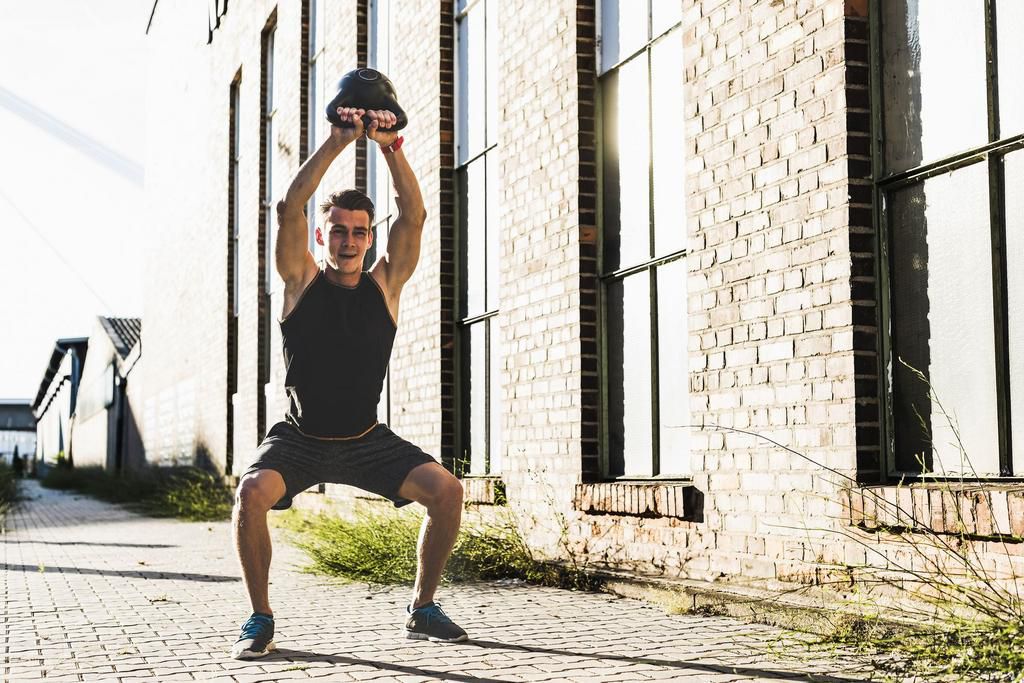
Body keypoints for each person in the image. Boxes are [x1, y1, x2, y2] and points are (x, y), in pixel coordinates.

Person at [231, 106, 467, 660]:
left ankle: (422, 608)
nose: (349, 240)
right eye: (338, 230)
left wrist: (391, 147)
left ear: (368, 238)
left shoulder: (384, 286)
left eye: (359, 232)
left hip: (366, 440)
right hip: (300, 438)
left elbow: (414, 217)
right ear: (324, 234)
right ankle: (260, 617)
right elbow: (289, 208)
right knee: (250, 494)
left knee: (448, 492)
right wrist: (339, 140)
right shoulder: (300, 281)